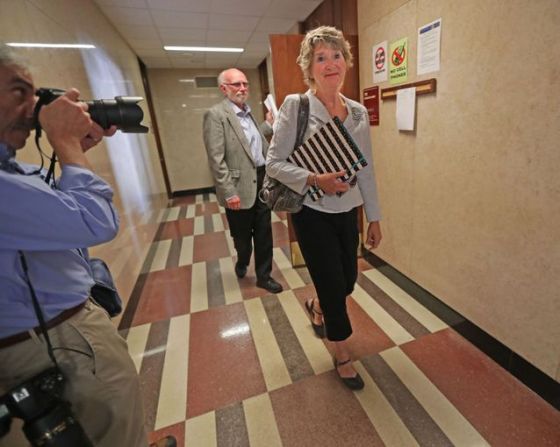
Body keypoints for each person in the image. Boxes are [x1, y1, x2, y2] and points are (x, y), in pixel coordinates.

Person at [0, 44, 175, 447]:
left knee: (111, 425)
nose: (32, 107)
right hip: (52, 341)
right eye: (19, 91)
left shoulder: (12, 170)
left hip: (54, 333)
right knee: (114, 428)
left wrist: (77, 149)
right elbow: (94, 221)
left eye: (34, 94)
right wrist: (66, 143)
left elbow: (52, 210)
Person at [266, 27, 382, 390]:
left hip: (347, 211)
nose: (330, 64)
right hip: (311, 212)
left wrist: (374, 217)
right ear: (309, 67)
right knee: (333, 285)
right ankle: (342, 353)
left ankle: (317, 305)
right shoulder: (297, 106)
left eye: (336, 55)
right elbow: (273, 163)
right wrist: (316, 179)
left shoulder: (358, 112)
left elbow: (366, 168)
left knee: (347, 279)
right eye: (321, 58)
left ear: (346, 62)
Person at [203, 68, 283, 294]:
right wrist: (229, 192)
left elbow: (249, 141)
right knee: (242, 237)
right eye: (236, 84)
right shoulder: (215, 115)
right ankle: (242, 259)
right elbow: (216, 159)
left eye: (245, 84)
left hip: (261, 179)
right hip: (237, 186)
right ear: (224, 88)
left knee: (264, 233)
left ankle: (264, 276)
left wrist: (267, 125)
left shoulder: (247, 112)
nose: (242, 88)